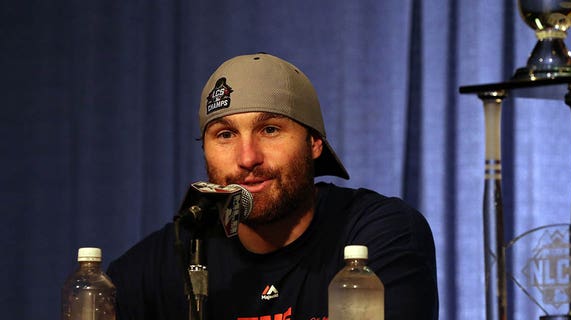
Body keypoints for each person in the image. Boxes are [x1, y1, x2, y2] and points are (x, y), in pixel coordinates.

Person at [107, 53, 438, 320]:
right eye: (225, 135)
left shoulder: (379, 234)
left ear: (314, 143)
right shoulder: (175, 255)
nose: (247, 157)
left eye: (270, 130)